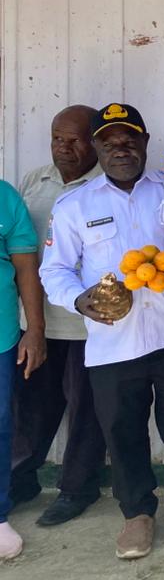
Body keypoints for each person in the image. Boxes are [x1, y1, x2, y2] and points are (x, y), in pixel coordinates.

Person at [40, 103, 164, 561]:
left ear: (144, 142)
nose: (120, 149)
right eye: (109, 142)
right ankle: (137, 514)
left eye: (129, 140)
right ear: (96, 148)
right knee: (122, 432)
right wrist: (79, 299)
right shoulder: (75, 205)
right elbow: (54, 270)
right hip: (112, 343)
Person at [10, 104, 108, 527]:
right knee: (30, 408)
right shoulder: (34, 181)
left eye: (74, 140)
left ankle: (77, 489)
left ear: (95, 142)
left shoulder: (108, 182)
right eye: (56, 139)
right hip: (36, 322)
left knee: (86, 412)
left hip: (87, 327)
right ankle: (20, 480)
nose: (63, 148)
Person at [0, 177, 43, 560]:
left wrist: (35, 330)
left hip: (1, 335)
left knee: (0, 425)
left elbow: (26, 268)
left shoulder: (5, 197)